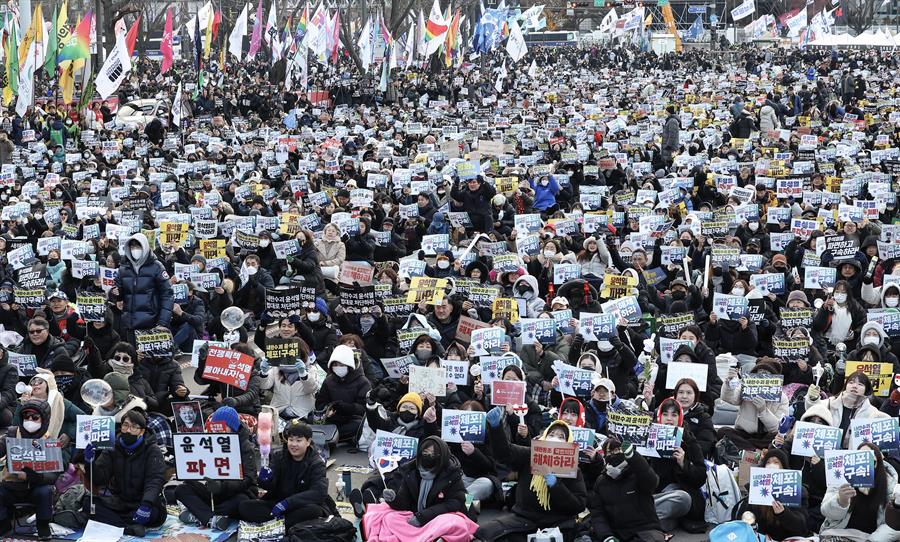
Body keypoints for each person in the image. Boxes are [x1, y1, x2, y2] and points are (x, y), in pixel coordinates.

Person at [476, 415, 588, 542]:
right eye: (551, 434)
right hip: (524, 519)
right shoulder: (531, 455)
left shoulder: (572, 470)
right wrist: (496, 428)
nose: (555, 438)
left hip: (557, 524)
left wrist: (556, 486)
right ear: (544, 436)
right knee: (485, 533)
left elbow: (578, 505)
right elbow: (505, 454)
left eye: (561, 437)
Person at [362, 436, 477, 542]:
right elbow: (404, 503)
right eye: (425, 453)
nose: (428, 456)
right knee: (389, 518)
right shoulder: (411, 472)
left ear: (441, 456)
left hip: (439, 516)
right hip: (416, 515)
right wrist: (393, 499)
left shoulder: (451, 474)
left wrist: (423, 516)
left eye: (432, 454)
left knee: (454, 523)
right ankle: (428, 537)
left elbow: (453, 504)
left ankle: (431, 536)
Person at [77, 409, 167, 537]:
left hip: (140, 503)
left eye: (134, 427)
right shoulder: (112, 447)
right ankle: (127, 528)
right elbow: (100, 478)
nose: (128, 430)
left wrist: (146, 504)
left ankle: (116, 523)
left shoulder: (152, 450)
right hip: (117, 502)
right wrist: (89, 462)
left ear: (142, 431)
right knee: (89, 504)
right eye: (125, 425)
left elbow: (155, 480)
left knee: (155, 514)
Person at [238, 419, 336, 528]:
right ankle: (283, 523)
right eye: (291, 440)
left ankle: (278, 524)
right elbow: (269, 486)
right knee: (244, 506)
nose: (294, 444)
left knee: (313, 511)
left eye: (299, 440)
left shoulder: (316, 463)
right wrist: (263, 480)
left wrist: (287, 503)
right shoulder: (279, 456)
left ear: (308, 442)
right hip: (278, 502)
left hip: (300, 505)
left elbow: (318, 492)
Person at [176, 406, 258, 530]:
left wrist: (222, 487)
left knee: (241, 502)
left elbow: (248, 479)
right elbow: (198, 467)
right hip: (211, 492)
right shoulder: (207, 441)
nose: (218, 430)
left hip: (233, 493)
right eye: (215, 426)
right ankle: (211, 518)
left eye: (223, 426)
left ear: (233, 427)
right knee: (181, 490)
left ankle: (200, 514)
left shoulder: (245, 446)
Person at [0, 401, 67, 539]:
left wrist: (34, 477)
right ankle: (3, 525)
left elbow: (54, 476)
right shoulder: (12, 434)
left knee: (46, 491)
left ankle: (43, 525)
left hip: (34, 489)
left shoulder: (50, 442)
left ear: (44, 419)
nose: (30, 420)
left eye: (34, 417)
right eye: (26, 417)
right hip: (11, 486)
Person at [589, 437, 666, 542]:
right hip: (617, 533)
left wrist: (633, 457)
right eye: (609, 452)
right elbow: (598, 514)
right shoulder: (601, 481)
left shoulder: (637, 470)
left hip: (645, 531)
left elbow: (651, 482)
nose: (613, 454)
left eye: (617, 449)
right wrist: (606, 536)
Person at [735, 448, 809, 540]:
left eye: (776, 462)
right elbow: (742, 519)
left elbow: (801, 527)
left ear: (783, 467)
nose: (771, 465)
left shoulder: (796, 492)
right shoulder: (756, 490)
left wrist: (783, 513)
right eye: (768, 462)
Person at [114, 233, 175, 338]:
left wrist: (162, 322)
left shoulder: (157, 267)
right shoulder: (123, 268)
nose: (134, 250)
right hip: (130, 324)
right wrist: (115, 294)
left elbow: (167, 295)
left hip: (151, 325)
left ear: (145, 247)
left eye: (138, 246)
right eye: (132, 247)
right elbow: (118, 290)